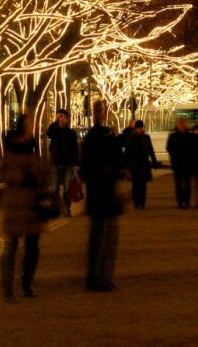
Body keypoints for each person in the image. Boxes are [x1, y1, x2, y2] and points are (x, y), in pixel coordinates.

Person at [80, 99, 124, 291]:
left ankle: (98, 277)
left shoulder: (93, 137)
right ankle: (101, 277)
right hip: (103, 191)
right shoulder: (104, 137)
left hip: (99, 192)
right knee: (104, 237)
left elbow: (87, 166)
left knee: (99, 237)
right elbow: (115, 160)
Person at [0, 114, 44, 302]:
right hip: (16, 203)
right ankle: (8, 286)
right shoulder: (12, 148)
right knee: (12, 245)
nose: (32, 127)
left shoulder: (33, 147)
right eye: (30, 124)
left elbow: (41, 172)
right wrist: (22, 177)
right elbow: (6, 173)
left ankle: (27, 282)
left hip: (32, 204)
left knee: (33, 247)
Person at [47, 109, 79, 217]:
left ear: (67, 119)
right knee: (55, 188)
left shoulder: (71, 133)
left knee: (67, 188)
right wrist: (55, 122)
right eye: (60, 116)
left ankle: (67, 208)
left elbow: (75, 149)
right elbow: (48, 132)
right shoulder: (54, 131)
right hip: (55, 163)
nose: (62, 119)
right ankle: (57, 209)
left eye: (64, 117)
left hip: (67, 164)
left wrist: (75, 163)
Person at [123, 120, 159, 209]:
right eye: (138, 128)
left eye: (141, 128)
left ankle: (141, 203)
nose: (140, 129)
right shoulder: (131, 137)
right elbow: (128, 152)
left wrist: (154, 161)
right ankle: (136, 202)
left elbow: (150, 149)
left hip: (143, 163)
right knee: (135, 184)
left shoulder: (146, 137)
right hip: (135, 164)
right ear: (136, 128)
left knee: (143, 185)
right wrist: (126, 165)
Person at [166, 117, 198, 208]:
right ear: (177, 124)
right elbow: (169, 148)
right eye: (179, 124)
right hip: (177, 163)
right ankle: (180, 201)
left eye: (183, 123)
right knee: (178, 183)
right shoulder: (173, 136)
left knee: (187, 183)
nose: (181, 125)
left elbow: (195, 149)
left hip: (187, 163)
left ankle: (186, 201)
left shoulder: (191, 136)